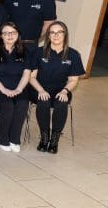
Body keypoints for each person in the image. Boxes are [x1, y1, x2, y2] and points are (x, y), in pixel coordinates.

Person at [29, 21, 84, 154]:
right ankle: (44, 138)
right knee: (44, 101)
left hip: (62, 89)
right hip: (39, 88)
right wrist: (41, 90)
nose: (56, 35)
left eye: (59, 32)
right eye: (52, 32)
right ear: (48, 35)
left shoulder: (73, 54)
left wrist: (65, 91)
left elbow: (73, 80)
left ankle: (54, 140)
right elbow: (31, 77)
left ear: (65, 35)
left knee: (61, 102)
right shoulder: (38, 52)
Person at [0, 22, 31, 152]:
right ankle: (2, 139)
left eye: (13, 33)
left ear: (18, 34)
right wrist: (3, 89)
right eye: (6, 33)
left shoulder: (24, 51)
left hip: (18, 86)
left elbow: (27, 73)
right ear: (1, 36)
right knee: (8, 104)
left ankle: (14, 139)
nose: (9, 36)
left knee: (22, 102)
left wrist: (19, 89)